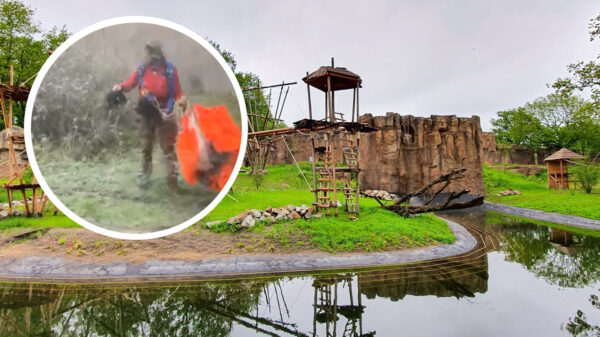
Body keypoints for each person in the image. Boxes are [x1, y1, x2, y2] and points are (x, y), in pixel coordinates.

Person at [112, 41, 186, 193]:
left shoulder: (170, 70)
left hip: (167, 113)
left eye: (154, 54)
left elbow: (178, 92)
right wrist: (120, 87)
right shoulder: (141, 70)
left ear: (159, 55)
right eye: (149, 54)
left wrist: (181, 101)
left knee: (168, 148)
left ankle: (173, 182)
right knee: (146, 147)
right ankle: (145, 179)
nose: (152, 58)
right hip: (147, 113)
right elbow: (129, 84)